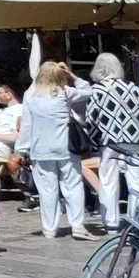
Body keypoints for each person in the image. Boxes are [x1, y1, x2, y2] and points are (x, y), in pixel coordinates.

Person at [76, 53, 139, 232]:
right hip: (134, 140)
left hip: (109, 142)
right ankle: (137, 220)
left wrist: (95, 141)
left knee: (108, 181)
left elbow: (92, 118)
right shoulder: (132, 88)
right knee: (137, 180)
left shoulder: (96, 90)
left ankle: (111, 221)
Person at [19, 62, 90, 240]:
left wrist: (22, 148)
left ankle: (49, 229)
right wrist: (72, 75)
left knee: (47, 191)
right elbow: (88, 90)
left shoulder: (30, 96)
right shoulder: (64, 93)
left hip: (40, 148)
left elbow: (27, 124)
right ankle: (77, 225)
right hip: (65, 147)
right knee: (73, 186)